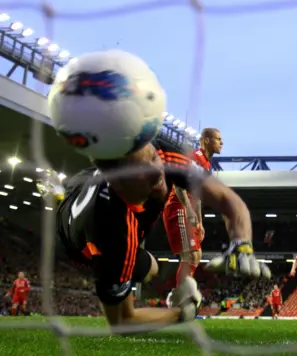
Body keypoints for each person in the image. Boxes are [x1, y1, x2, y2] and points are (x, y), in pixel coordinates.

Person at [56, 138, 269, 334]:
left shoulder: (165, 157)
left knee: (152, 267)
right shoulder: (112, 231)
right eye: (143, 172)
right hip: (76, 242)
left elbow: (228, 199)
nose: (158, 172)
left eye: (153, 158)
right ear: (122, 184)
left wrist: (242, 243)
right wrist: (183, 313)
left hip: (84, 182)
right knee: (148, 269)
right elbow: (122, 323)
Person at [162, 128, 223, 286]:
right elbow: (178, 184)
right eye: (218, 139)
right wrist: (188, 209)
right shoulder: (195, 158)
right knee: (191, 255)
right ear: (207, 140)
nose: (221, 143)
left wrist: (200, 222)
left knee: (197, 255)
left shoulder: (206, 164)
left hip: (186, 206)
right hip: (178, 206)